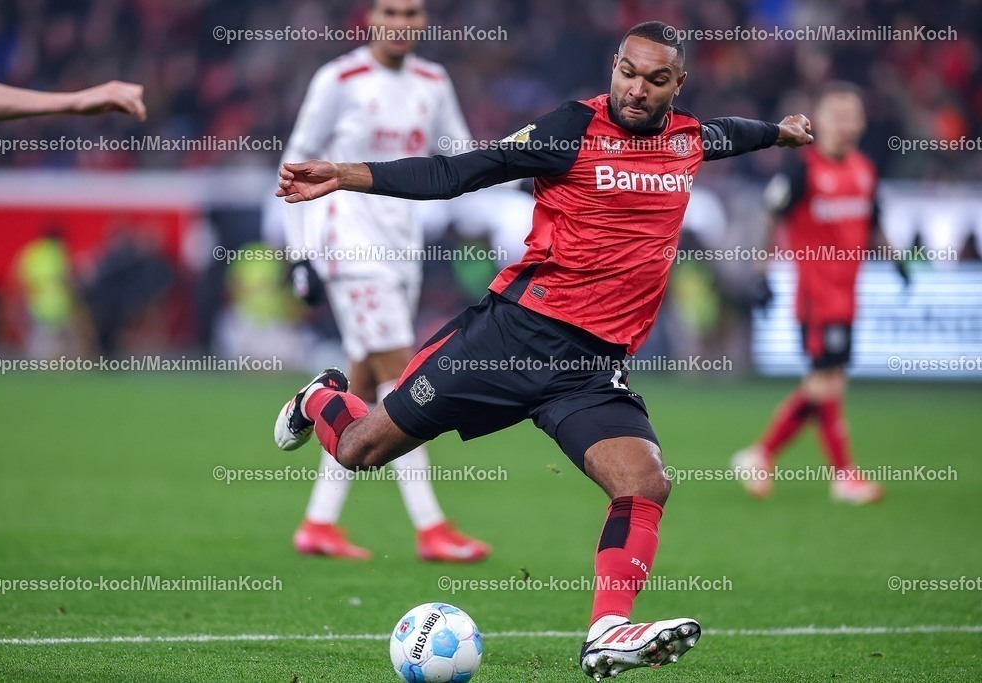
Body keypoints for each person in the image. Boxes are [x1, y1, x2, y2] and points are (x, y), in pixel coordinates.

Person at [271, 21, 812, 679]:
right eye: (627, 72)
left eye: (655, 79)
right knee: (359, 449)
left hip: (590, 369)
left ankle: (607, 629)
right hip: (508, 340)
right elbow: (456, 172)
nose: (636, 89)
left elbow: (736, 133)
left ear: (678, 85)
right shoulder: (568, 131)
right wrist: (347, 174)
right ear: (614, 66)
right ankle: (319, 396)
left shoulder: (690, 138)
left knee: (645, 483)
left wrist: (781, 132)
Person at [270, 0, 488, 562]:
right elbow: (296, 163)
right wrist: (301, 255)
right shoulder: (338, 79)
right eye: (391, 10)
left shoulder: (433, 82)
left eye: (413, 13)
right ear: (370, 16)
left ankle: (318, 522)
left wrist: (528, 173)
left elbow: (463, 156)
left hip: (403, 249)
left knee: (363, 388)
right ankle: (431, 526)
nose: (402, 21)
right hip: (351, 245)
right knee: (403, 377)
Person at [732, 82, 893, 505]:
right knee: (828, 382)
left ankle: (760, 455)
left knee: (823, 384)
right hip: (815, 298)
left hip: (848, 298)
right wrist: (761, 273)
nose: (845, 123)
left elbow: (875, 221)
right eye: (836, 115)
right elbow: (771, 218)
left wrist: (903, 261)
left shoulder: (864, 169)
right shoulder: (801, 169)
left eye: (852, 115)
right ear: (818, 120)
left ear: (862, 121)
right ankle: (844, 477)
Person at [0, 78, 146, 428]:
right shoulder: (49, 257)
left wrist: (73, 102)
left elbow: (21, 292)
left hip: (51, 323)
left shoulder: (38, 256)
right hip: (44, 325)